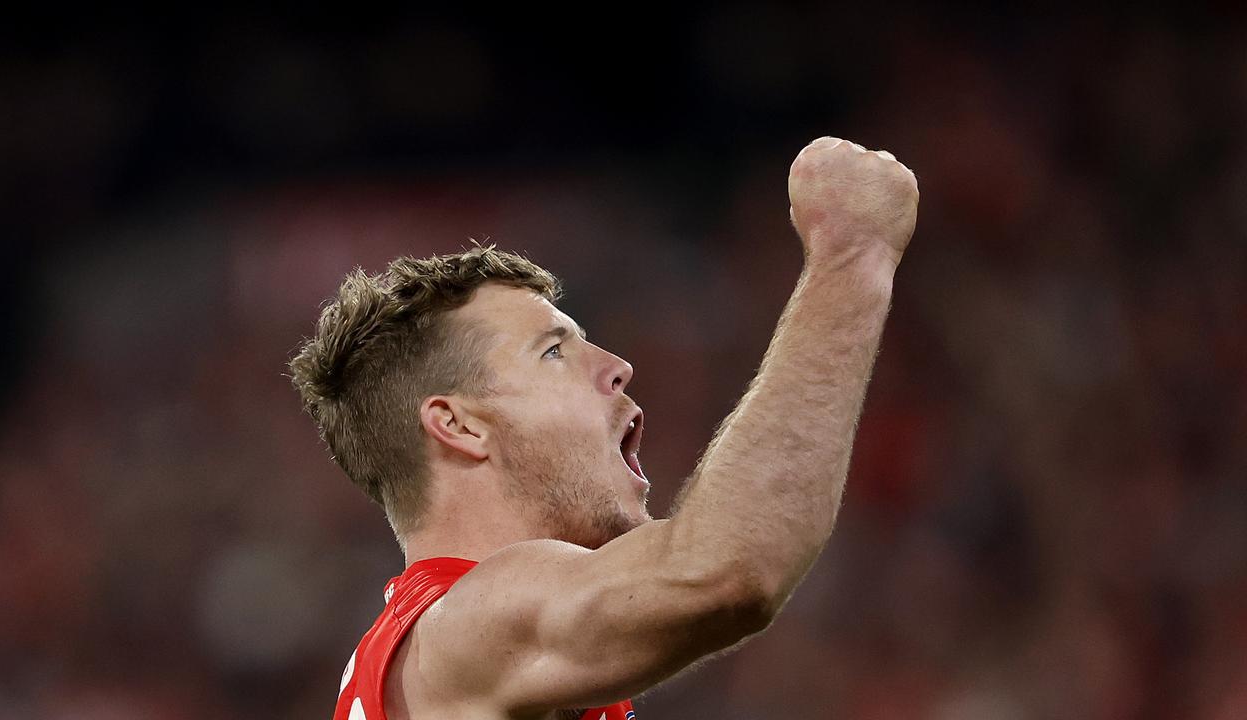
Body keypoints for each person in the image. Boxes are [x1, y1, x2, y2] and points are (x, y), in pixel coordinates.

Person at [289, 136, 919, 720]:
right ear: (459, 425)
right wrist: (852, 252)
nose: (619, 368)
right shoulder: (468, 622)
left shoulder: (434, 654)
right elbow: (726, 570)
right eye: (554, 352)